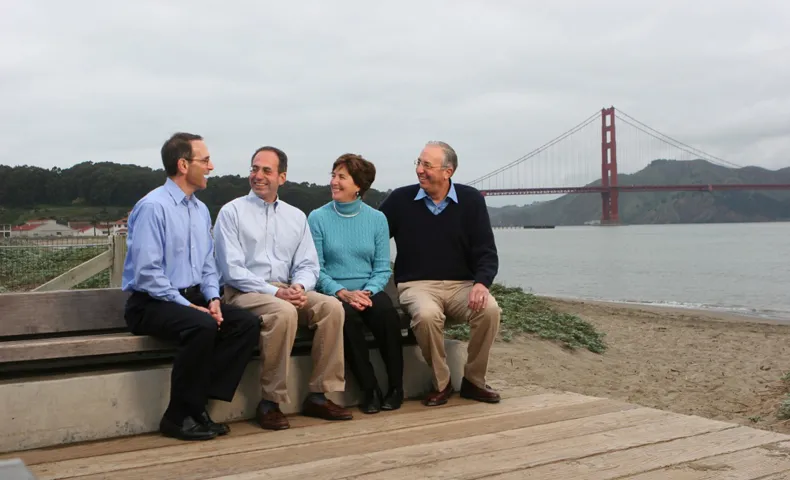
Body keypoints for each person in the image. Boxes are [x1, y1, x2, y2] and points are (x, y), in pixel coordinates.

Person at [122, 132, 260, 441]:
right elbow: (147, 275)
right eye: (205, 160)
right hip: (151, 303)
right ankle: (176, 417)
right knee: (200, 326)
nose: (211, 166)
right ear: (183, 165)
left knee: (245, 324)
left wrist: (212, 298)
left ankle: (197, 404)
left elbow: (208, 265)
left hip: (191, 297)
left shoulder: (199, 209)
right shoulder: (153, 207)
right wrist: (189, 307)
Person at [214, 145, 352, 431]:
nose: (258, 175)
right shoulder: (232, 212)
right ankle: (270, 402)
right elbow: (232, 271)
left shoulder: (296, 217)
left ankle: (319, 394)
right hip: (245, 292)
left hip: (288, 289)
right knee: (284, 311)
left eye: (266, 170)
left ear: (282, 177)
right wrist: (277, 293)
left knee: (332, 307)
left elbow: (308, 264)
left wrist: (300, 286)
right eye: (254, 168)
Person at [379, 140, 502, 407]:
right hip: (417, 284)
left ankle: (474, 381)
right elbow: (372, 237)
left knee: (490, 310)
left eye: (427, 165)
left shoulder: (471, 200)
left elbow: (486, 250)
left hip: (462, 285)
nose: (420, 170)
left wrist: (482, 283)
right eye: (419, 163)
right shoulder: (400, 200)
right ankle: (442, 383)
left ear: (448, 171)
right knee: (426, 315)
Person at [307, 154, 404, 414]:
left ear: (358, 185)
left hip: (368, 290)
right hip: (335, 292)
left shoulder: (376, 219)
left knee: (386, 314)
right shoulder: (317, 218)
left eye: (341, 177)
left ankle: (396, 387)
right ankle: (369, 388)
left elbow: (383, 267)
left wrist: (367, 292)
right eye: (333, 175)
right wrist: (341, 292)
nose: (333, 182)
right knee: (344, 318)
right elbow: (316, 269)